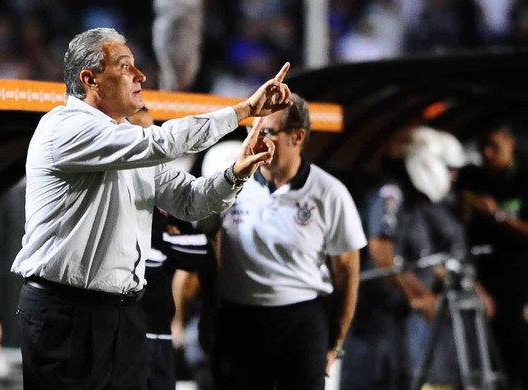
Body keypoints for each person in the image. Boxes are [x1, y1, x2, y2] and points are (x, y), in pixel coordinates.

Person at [11, 26, 291, 390]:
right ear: (89, 79)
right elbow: (161, 142)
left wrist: (237, 173)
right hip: (67, 315)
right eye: (125, 66)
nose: (140, 75)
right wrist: (244, 111)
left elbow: (190, 201)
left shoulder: (128, 139)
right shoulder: (64, 128)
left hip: (125, 316)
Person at [203, 94, 366, 390]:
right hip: (238, 319)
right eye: (255, 129)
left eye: (268, 132)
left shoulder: (329, 192)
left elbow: (347, 271)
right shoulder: (233, 181)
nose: (257, 138)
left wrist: (336, 343)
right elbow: (203, 239)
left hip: (299, 322)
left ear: (297, 137)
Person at [339, 126, 491, 389]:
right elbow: (381, 251)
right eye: (449, 169)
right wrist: (419, 295)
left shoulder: (417, 204)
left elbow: (429, 257)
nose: (453, 177)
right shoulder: (391, 194)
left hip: (399, 321)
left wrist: (470, 288)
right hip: (373, 322)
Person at [127, 107, 216, 390]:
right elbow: (146, 256)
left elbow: (200, 250)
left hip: (160, 336)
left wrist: (161, 241)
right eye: (139, 135)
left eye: (152, 134)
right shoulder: (107, 193)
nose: (149, 143)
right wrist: (163, 241)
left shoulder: (165, 193)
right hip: (121, 336)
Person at [456, 124, 528, 389]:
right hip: (480, 276)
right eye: (482, 147)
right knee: (483, 350)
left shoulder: (523, 177)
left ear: (511, 144)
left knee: (518, 345)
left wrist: (497, 215)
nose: (487, 153)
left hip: (518, 278)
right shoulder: (471, 177)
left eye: (494, 146)